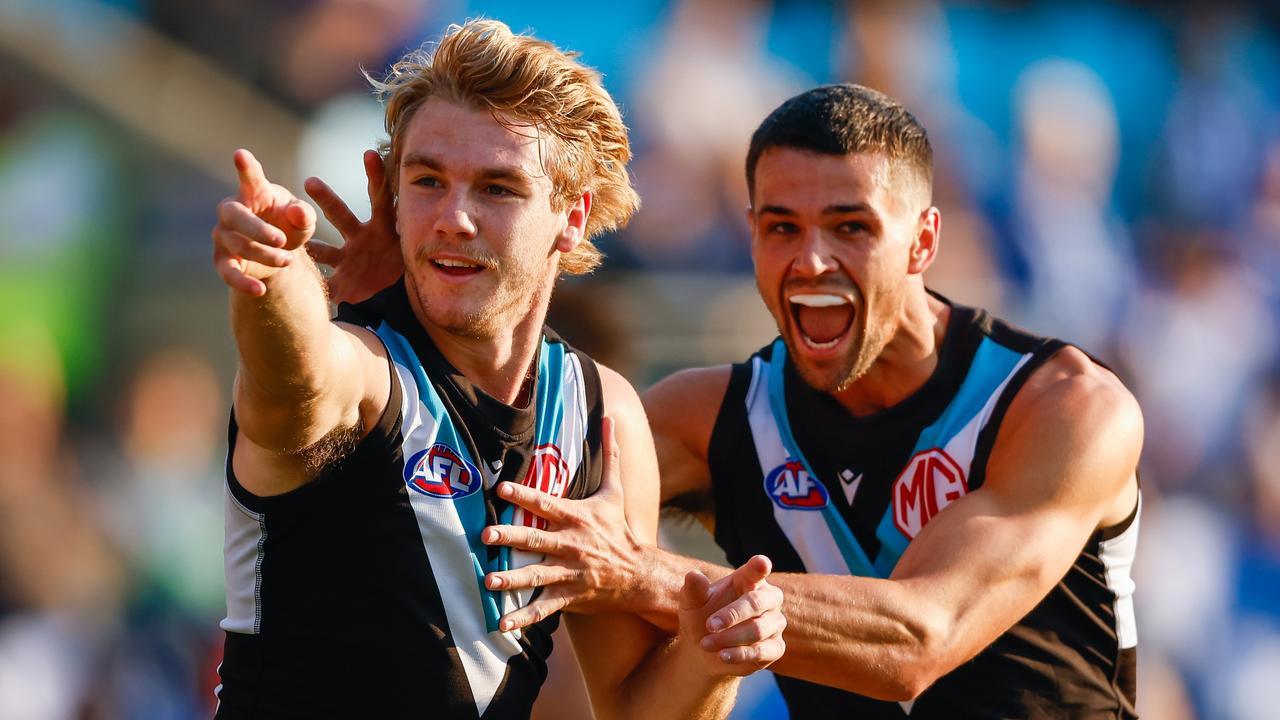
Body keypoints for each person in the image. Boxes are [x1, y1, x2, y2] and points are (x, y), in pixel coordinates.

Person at [318, 82, 1144, 718]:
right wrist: (411, 311)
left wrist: (642, 576)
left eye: (851, 227)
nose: (812, 260)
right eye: (781, 226)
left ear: (923, 240)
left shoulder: (1064, 408)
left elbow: (920, 637)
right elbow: (500, 479)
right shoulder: (704, 418)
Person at [209, 20, 786, 719]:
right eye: (427, 181)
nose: (453, 217)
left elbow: (632, 710)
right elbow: (296, 372)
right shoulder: (365, 370)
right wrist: (276, 273)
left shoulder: (601, 413)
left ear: (570, 218)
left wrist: (709, 655)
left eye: (498, 188)